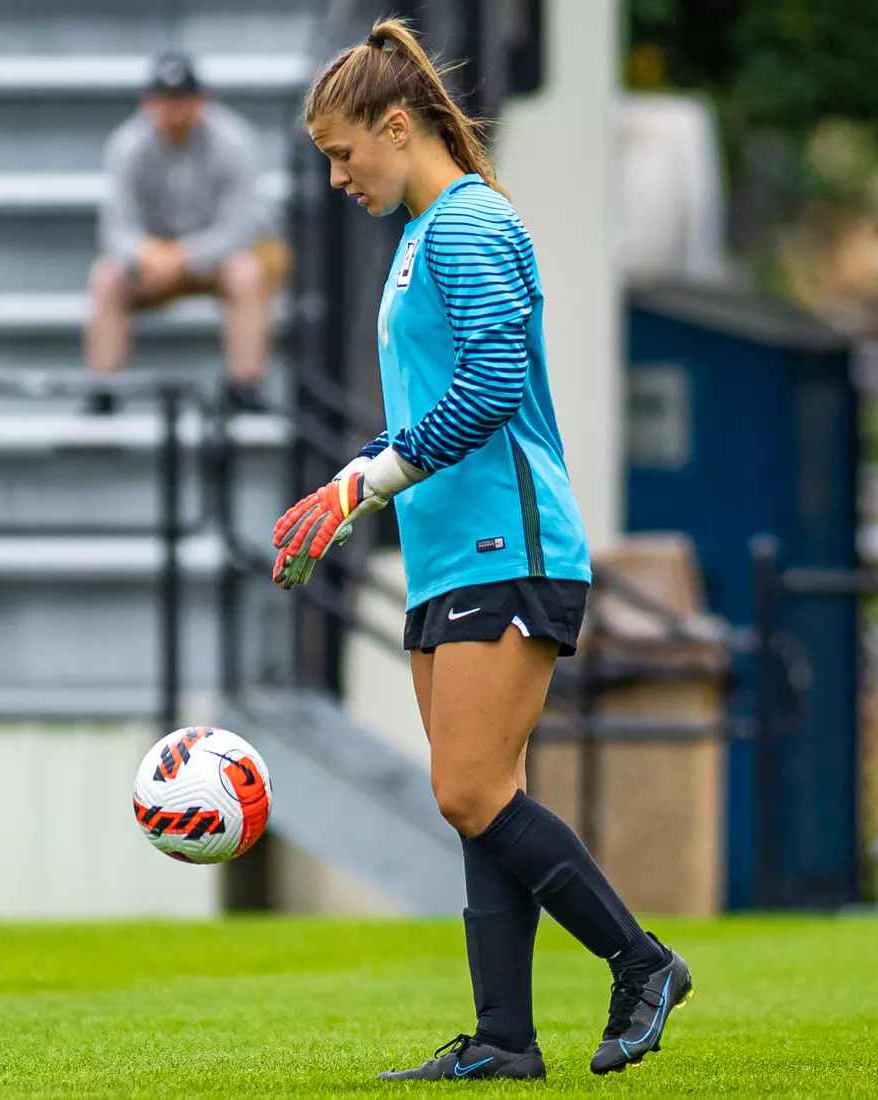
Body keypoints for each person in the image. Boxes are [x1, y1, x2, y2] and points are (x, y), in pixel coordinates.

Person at [271, 18, 693, 1084]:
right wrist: (344, 485)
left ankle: (641, 962)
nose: (336, 178)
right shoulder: (423, 234)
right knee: (481, 794)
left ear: (396, 125)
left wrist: (369, 480)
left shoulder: (467, 223)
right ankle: (504, 1038)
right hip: (450, 551)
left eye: (342, 154)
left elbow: (493, 386)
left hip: (510, 544)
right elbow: (429, 404)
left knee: (469, 791)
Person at [84, 53, 289, 413]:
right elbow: (116, 228)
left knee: (248, 273)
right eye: (165, 101)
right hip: (153, 264)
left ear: (201, 102)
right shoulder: (126, 145)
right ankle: (104, 390)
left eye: (181, 101)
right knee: (106, 277)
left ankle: (246, 385)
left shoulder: (234, 140)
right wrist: (147, 254)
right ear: (147, 103)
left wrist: (184, 256)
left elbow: (240, 227)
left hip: (214, 262)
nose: (173, 111)